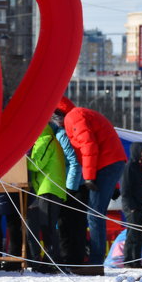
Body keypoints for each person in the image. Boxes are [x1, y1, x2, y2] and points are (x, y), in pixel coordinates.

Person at [55, 97, 127, 266]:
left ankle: (95, 261)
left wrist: (88, 177)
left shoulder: (73, 117)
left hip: (105, 166)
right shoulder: (79, 114)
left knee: (94, 215)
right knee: (96, 214)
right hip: (110, 164)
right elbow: (102, 147)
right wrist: (114, 185)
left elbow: (89, 146)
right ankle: (96, 259)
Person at [26, 125, 67, 269]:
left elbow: (35, 164)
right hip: (49, 188)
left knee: (48, 225)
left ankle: (52, 260)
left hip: (49, 188)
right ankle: (51, 258)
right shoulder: (48, 139)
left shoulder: (45, 139)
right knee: (48, 225)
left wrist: (24, 155)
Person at [50, 114, 88, 267]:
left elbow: (74, 162)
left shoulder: (60, 135)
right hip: (68, 185)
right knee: (67, 225)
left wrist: (69, 189)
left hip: (74, 187)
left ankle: (72, 259)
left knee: (70, 224)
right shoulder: (55, 135)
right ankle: (71, 258)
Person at [120, 142, 142, 266]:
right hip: (132, 207)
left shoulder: (141, 167)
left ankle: (136, 260)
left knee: (139, 235)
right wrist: (131, 206)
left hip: (141, 206)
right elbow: (125, 189)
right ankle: (128, 260)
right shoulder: (129, 167)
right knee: (132, 235)